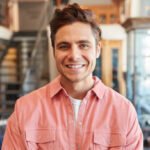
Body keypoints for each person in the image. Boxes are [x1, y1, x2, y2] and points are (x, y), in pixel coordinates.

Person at [2, 3, 143, 150]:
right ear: (54, 51)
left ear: (97, 50)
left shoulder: (124, 111)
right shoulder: (25, 110)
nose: (74, 56)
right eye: (64, 46)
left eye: (83, 45)